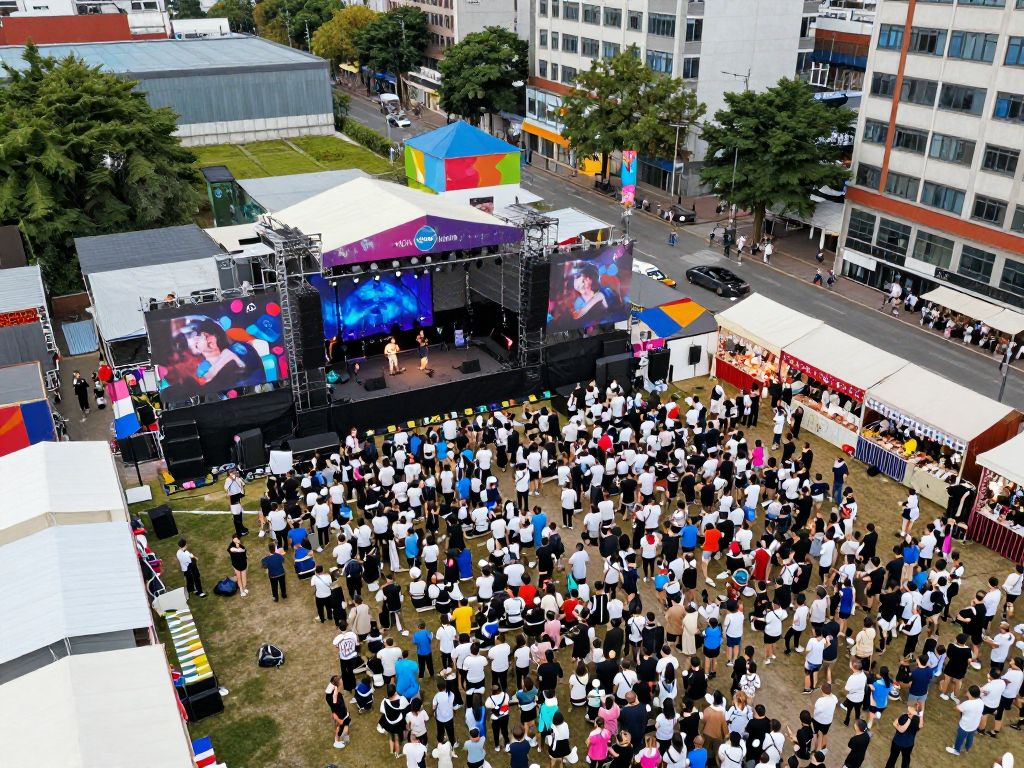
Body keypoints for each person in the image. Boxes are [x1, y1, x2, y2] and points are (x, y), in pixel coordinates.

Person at [946, 684, 984, 756]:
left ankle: (956, 750)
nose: (967, 692)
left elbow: (957, 709)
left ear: (971, 694)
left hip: (965, 725)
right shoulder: (981, 701)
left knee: (960, 738)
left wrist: (958, 704)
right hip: (974, 725)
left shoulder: (967, 703)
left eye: (968, 692)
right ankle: (967, 748)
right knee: (970, 737)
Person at [884, 702, 923, 768]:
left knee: (892, 758)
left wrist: (898, 726)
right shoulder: (917, 720)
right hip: (908, 744)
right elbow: (921, 725)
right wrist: (920, 714)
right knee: (906, 760)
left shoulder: (904, 716)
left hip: (897, 742)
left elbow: (896, 725)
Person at [325, 675, 351, 749]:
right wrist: (338, 720)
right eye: (341, 682)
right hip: (340, 716)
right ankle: (336, 741)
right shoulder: (334, 698)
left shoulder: (333, 693)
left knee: (342, 725)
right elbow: (334, 712)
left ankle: (342, 732)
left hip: (343, 714)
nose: (342, 683)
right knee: (339, 728)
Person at [224, 469, 248, 536]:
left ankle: (240, 531)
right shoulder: (232, 479)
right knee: (238, 515)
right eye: (233, 471)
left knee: (237, 516)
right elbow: (226, 488)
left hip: (235, 498)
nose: (235, 472)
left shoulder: (234, 478)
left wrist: (228, 493)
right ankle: (240, 530)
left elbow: (225, 488)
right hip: (236, 498)